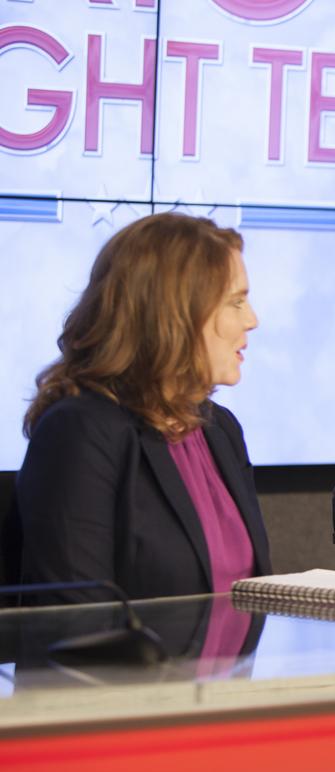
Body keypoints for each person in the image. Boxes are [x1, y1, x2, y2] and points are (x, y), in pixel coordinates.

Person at [15, 213, 273, 602]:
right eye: (236, 302)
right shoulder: (78, 433)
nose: (252, 320)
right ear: (174, 313)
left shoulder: (220, 430)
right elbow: (78, 623)